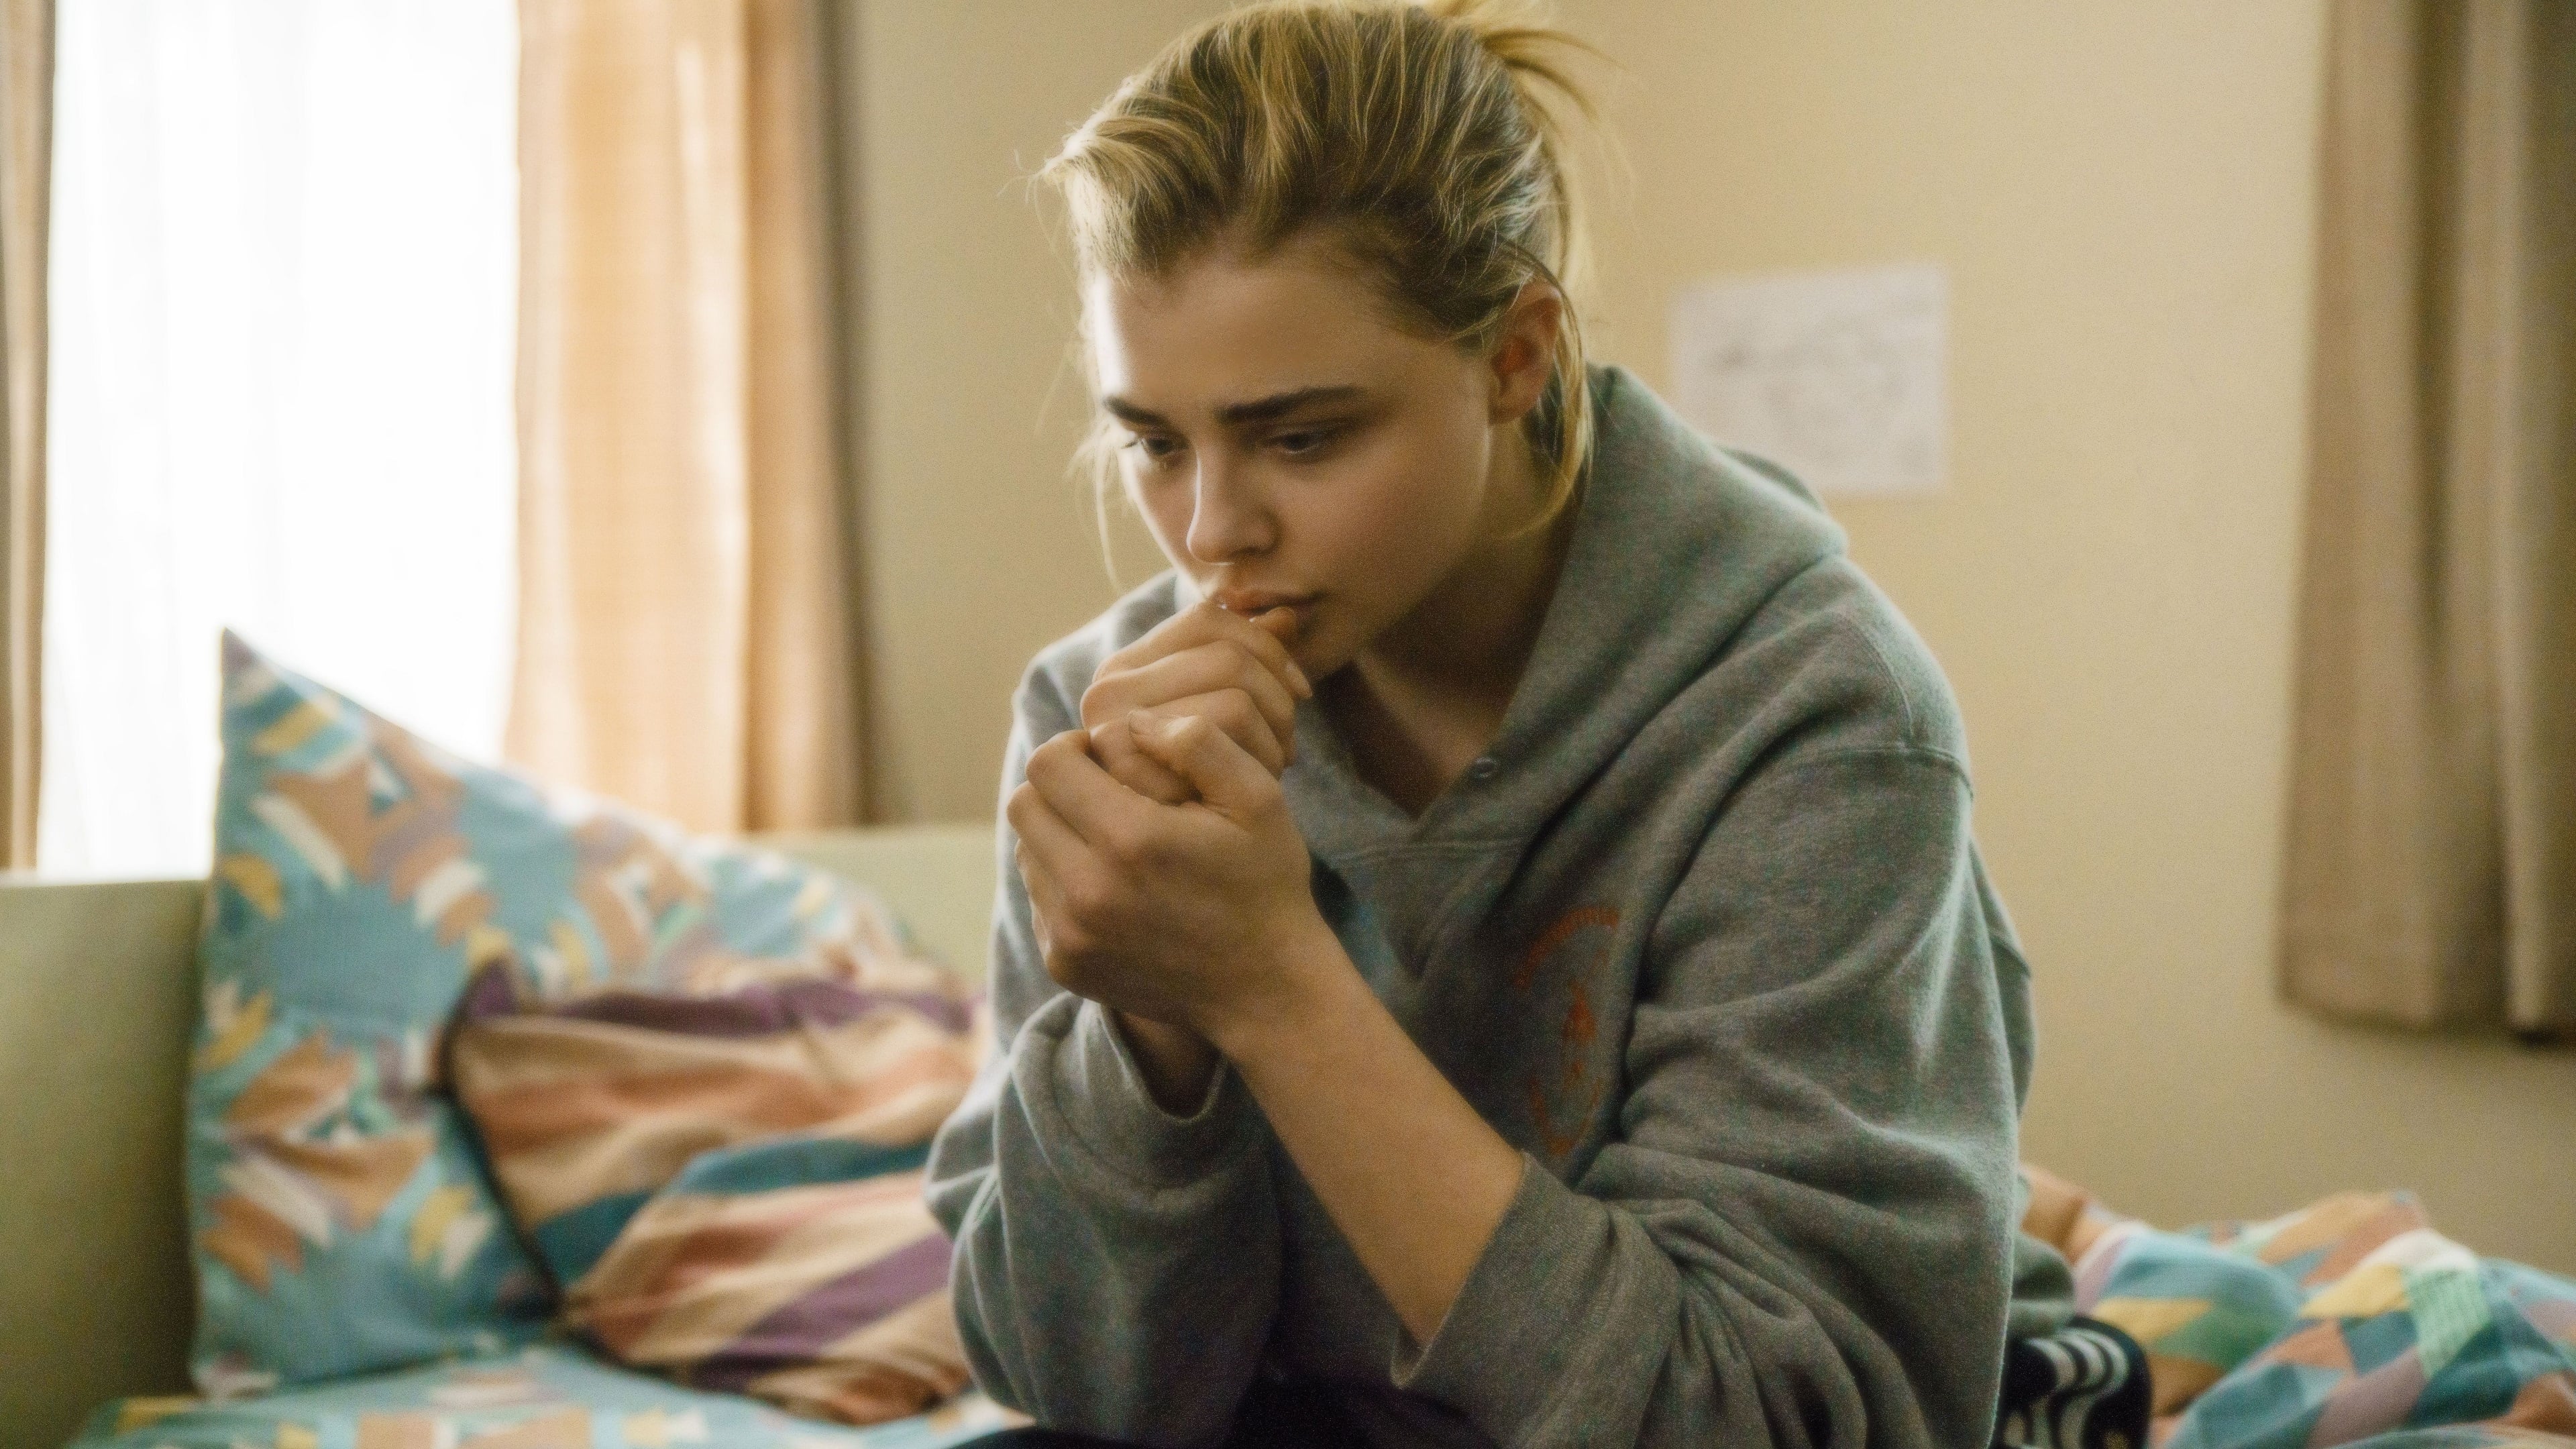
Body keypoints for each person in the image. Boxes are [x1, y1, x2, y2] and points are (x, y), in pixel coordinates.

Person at [926, 3, 2072, 1445]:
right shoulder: (1101, 726)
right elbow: (1081, 1394)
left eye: (1301, 436)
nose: (1211, 533)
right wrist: (1154, 1023)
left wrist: (1271, 988)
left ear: (1517, 354)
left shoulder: (1811, 717)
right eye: (1154, 442)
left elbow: (1775, 1418)